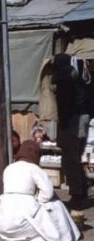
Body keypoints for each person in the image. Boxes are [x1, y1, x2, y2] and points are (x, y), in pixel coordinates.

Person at [0, 140, 81, 241]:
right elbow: (48, 193)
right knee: (56, 203)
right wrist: (39, 200)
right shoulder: (34, 168)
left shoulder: (8, 168)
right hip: (22, 224)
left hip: (2, 224)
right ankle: (66, 233)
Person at [53, 53, 90, 210]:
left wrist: (63, 126)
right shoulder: (76, 78)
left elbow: (65, 106)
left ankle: (77, 195)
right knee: (73, 157)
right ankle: (82, 189)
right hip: (81, 120)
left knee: (70, 159)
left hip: (72, 122)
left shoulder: (64, 79)